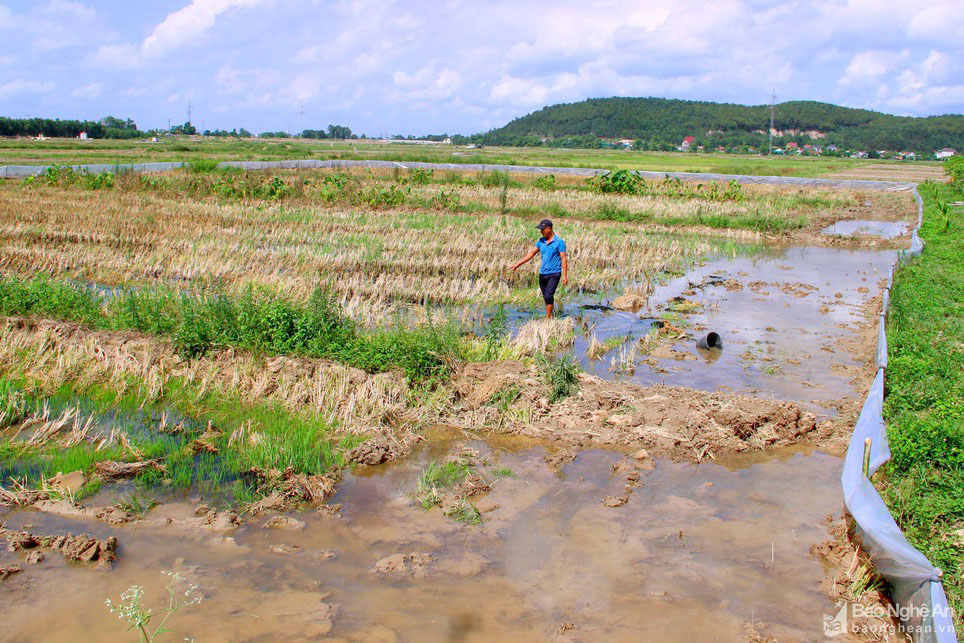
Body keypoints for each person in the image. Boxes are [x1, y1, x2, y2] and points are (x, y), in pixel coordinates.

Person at [510, 218, 568, 318]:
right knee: (546, 296)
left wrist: (565, 276)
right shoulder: (541, 241)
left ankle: (548, 318)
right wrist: (518, 264)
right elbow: (532, 253)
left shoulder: (559, 242)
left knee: (549, 295)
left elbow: (563, 259)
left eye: (542, 229)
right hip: (543, 273)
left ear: (549, 229)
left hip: (554, 273)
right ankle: (551, 313)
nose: (540, 231)